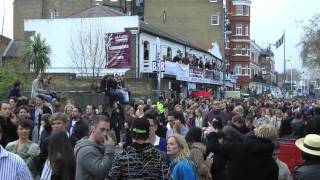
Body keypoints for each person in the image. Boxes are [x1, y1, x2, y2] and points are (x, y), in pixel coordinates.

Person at [74, 115, 115, 180]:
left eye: (107, 130)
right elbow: (102, 172)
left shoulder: (102, 146)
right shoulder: (85, 151)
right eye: (102, 129)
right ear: (93, 128)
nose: (105, 133)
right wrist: (110, 148)